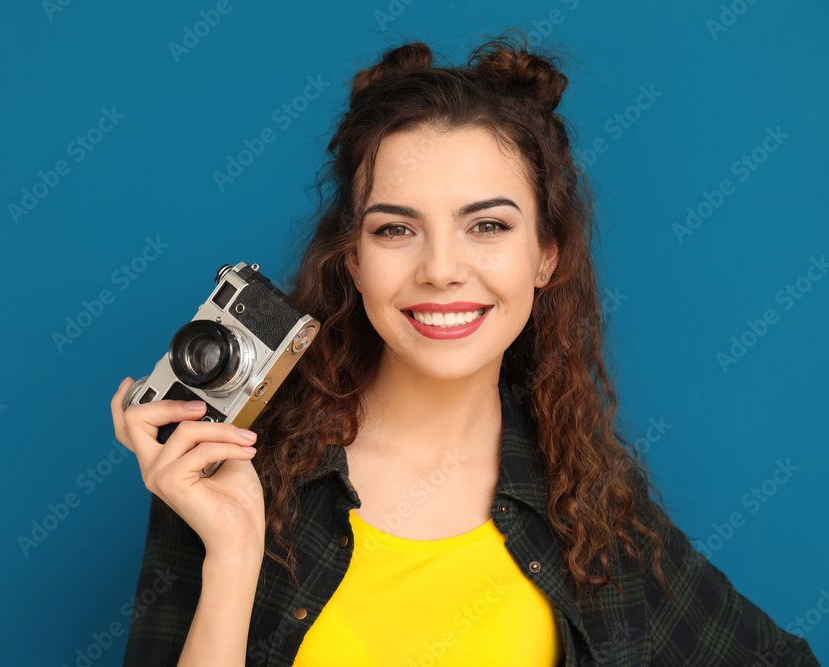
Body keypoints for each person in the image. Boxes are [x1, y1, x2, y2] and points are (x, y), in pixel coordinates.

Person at [109, 30, 820, 667]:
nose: (442, 268)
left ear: (546, 255)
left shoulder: (590, 505)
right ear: (353, 260)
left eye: (487, 227)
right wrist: (234, 552)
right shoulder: (228, 464)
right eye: (395, 229)